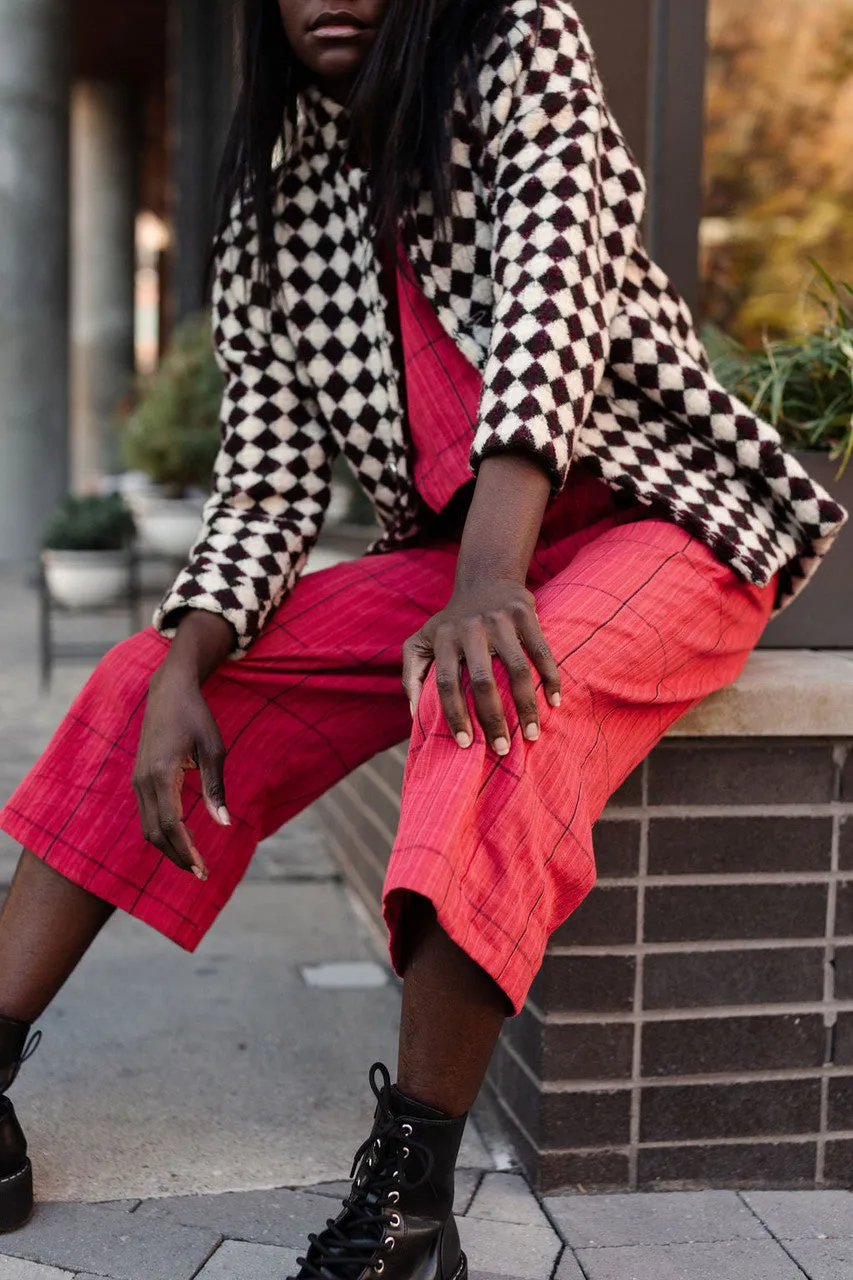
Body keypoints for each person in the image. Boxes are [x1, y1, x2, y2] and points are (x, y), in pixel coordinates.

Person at [0, 0, 846, 1274]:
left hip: (654, 514)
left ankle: (408, 1207)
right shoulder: (272, 195)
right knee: (136, 684)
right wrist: (185, 658)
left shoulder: (521, 47)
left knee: (494, 694)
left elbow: (550, 307)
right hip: (462, 560)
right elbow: (268, 479)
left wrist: (491, 578)